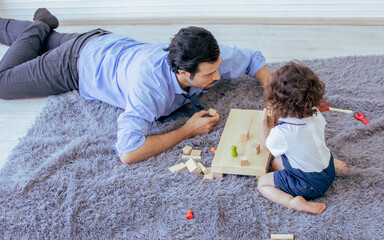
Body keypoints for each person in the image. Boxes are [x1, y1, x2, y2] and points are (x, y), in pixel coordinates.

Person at [0, 8, 271, 164]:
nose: (219, 76)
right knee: (4, 82)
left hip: (102, 42)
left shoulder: (202, 54)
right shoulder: (150, 88)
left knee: (30, 43)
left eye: (218, 67)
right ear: (183, 72)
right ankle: (40, 23)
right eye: (210, 74)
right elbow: (128, 151)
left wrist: (271, 95)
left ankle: (42, 28)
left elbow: (253, 59)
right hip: (74, 65)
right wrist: (187, 130)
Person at [257, 62, 348, 214]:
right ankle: (332, 165)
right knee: (276, 162)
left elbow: (266, 145)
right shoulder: (315, 114)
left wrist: (263, 124)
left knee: (263, 183)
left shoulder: (282, 133)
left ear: (277, 105)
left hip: (309, 185)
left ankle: (293, 202)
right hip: (328, 170)